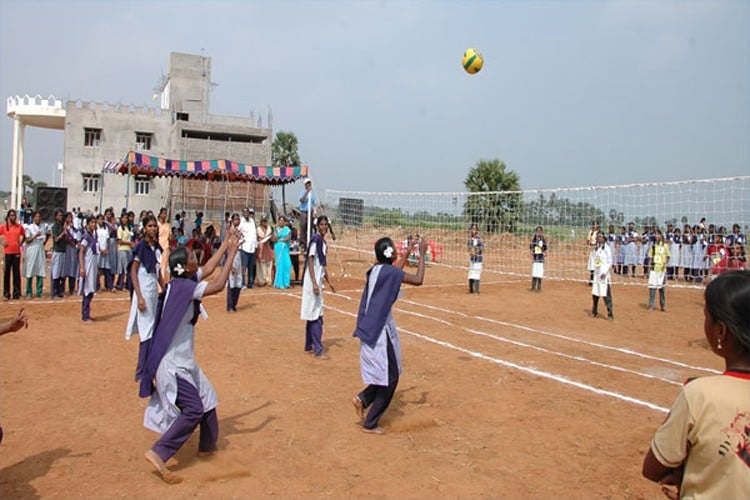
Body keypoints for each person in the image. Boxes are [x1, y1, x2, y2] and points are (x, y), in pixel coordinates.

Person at [139, 230, 240, 484]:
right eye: (193, 258)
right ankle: (159, 451)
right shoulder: (185, 287)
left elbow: (207, 268)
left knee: (208, 399)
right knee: (194, 408)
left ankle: (207, 449)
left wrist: (227, 242)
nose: (197, 259)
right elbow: (217, 284)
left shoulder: (179, 282)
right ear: (184, 267)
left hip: (184, 361)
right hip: (173, 365)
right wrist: (233, 255)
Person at [642, 271, 750, 499]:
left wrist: (684, 474)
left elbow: (653, 467)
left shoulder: (700, 394)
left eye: (706, 316)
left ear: (720, 331)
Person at [351, 235, 428, 435]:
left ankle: (364, 398)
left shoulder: (377, 270)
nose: (397, 250)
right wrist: (422, 254)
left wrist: (409, 249)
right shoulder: (389, 272)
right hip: (378, 330)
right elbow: (418, 280)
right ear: (389, 253)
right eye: (395, 248)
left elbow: (396, 270)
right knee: (391, 377)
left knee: (385, 372)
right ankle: (370, 423)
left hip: (370, 325)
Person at [126, 215, 164, 381]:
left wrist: (164, 287)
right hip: (144, 293)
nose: (153, 229)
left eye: (154, 226)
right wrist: (139, 296)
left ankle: (149, 367)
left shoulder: (156, 248)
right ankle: (141, 371)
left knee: (153, 330)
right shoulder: (141, 247)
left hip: (152, 293)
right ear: (144, 228)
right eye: (149, 226)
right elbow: (133, 270)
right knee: (146, 332)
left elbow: (157, 272)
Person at [301, 216, 336, 358]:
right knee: (316, 315)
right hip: (312, 282)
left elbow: (321, 265)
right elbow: (310, 260)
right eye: (322, 225)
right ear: (317, 226)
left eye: (326, 225)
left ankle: (309, 344)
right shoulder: (315, 240)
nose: (324, 227)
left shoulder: (324, 243)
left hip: (318, 281)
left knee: (312, 313)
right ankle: (318, 349)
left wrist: (328, 281)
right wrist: (314, 282)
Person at [0, 209, 24, 301]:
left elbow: (24, 236)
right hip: (7, 253)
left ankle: (17, 293)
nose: (12, 217)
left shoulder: (19, 227)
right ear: (8, 216)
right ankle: (6, 293)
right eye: (11, 215)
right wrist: (2, 242)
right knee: (7, 274)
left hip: (16, 252)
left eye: (14, 215)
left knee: (16, 273)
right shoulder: (4, 227)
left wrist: (20, 244)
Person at [78, 215, 98, 323]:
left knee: (91, 290)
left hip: (93, 266)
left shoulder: (93, 236)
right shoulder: (86, 237)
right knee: (87, 290)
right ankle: (85, 315)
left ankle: (87, 313)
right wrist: (82, 267)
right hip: (88, 265)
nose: (94, 225)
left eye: (94, 223)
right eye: (92, 223)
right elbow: (81, 251)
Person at [22, 211, 47, 299]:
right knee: (30, 269)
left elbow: (44, 239)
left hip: (40, 249)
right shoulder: (29, 228)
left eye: (39, 217)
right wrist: (35, 236)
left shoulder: (43, 227)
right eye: (36, 217)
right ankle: (29, 291)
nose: (38, 218)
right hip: (31, 250)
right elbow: (27, 240)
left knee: (40, 269)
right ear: (33, 218)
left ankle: (39, 291)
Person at [591, 231, 614, 320]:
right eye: (597, 237)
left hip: (604, 274)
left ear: (604, 238)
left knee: (606, 294)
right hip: (597, 274)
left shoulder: (607, 248)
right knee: (595, 294)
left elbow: (610, 261)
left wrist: (605, 273)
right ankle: (594, 311)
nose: (598, 238)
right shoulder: (596, 248)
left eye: (600, 236)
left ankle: (610, 313)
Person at [648, 229, 670, 312]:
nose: (656, 236)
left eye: (658, 234)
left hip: (662, 270)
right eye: (655, 234)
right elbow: (650, 257)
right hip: (654, 269)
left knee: (662, 289)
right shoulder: (653, 247)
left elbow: (668, 256)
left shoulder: (665, 246)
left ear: (661, 236)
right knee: (652, 288)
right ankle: (651, 305)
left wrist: (665, 264)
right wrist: (649, 265)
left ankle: (663, 305)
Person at [49, 209, 68, 298]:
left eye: (61, 215)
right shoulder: (55, 227)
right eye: (59, 215)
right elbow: (56, 239)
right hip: (57, 251)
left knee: (61, 272)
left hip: (63, 250)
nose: (61, 217)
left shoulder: (62, 226)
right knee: (56, 272)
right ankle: (54, 292)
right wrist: (63, 233)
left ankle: (60, 291)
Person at [226, 214, 242, 312]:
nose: (237, 221)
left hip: (239, 255)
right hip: (232, 255)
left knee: (238, 281)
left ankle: (234, 304)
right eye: (235, 219)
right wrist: (230, 264)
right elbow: (228, 249)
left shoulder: (239, 231)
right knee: (232, 281)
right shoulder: (230, 232)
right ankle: (230, 305)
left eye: (238, 219)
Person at [239, 207, 258, 288]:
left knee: (251, 267)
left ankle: (250, 283)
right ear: (243, 213)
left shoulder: (252, 221)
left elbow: (254, 234)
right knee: (244, 267)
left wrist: (256, 246)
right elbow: (238, 232)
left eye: (248, 212)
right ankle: (242, 283)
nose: (247, 214)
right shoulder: (240, 222)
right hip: (244, 248)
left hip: (252, 248)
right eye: (245, 212)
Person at [63, 212, 81, 295]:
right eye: (68, 218)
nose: (70, 219)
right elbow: (66, 238)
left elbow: (77, 237)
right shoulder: (64, 228)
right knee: (64, 268)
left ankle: (71, 288)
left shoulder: (74, 228)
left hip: (73, 250)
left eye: (71, 217)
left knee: (72, 268)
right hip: (66, 249)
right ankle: (61, 289)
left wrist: (76, 243)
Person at [116, 212, 134, 291]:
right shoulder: (120, 228)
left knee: (127, 268)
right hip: (122, 249)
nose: (125, 220)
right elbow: (119, 241)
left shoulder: (127, 228)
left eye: (126, 218)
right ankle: (121, 284)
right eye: (123, 218)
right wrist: (129, 243)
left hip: (128, 249)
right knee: (123, 268)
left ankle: (126, 284)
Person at [273, 215, 292, 289]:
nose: (281, 222)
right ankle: (279, 283)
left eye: (282, 220)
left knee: (287, 264)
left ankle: (286, 283)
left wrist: (280, 239)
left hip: (285, 248)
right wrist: (278, 237)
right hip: (278, 248)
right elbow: (274, 238)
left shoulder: (287, 229)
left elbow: (287, 238)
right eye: (280, 220)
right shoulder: (276, 229)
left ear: (285, 222)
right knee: (280, 265)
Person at [255, 216, 274, 287]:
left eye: (265, 221)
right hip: (261, 247)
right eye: (263, 221)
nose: (264, 222)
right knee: (260, 264)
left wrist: (269, 237)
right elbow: (257, 237)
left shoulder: (269, 228)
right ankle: (261, 280)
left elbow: (271, 237)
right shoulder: (258, 229)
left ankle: (268, 280)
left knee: (269, 263)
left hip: (268, 247)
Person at [298, 178, 316, 250]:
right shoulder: (303, 192)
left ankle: (310, 241)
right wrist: (306, 192)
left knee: (310, 226)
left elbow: (313, 204)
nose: (308, 185)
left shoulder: (312, 194)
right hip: (304, 211)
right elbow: (301, 200)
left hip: (310, 211)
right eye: (307, 183)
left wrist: (314, 211)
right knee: (303, 225)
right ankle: (302, 243)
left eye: (309, 183)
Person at [530, 225, 547, 292]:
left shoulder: (543, 239)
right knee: (534, 271)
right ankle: (533, 287)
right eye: (537, 231)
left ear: (542, 232)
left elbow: (545, 248)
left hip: (541, 257)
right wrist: (531, 253)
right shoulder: (534, 239)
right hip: (535, 257)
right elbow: (531, 247)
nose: (538, 232)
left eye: (540, 231)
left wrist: (544, 252)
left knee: (540, 272)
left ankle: (539, 287)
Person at [467, 223, 483, 294]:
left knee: (477, 272)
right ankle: (471, 289)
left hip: (478, 259)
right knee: (471, 272)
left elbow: (482, 247)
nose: (473, 230)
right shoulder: (470, 238)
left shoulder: (478, 238)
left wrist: (476, 252)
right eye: (472, 228)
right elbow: (469, 247)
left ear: (477, 230)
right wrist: (471, 252)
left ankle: (476, 290)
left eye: (475, 229)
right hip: (472, 259)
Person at [158, 208, 171, 280]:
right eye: (163, 213)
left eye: (165, 213)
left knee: (164, 265)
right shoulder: (157, 225)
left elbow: (170, 237)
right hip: (158, 246)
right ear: (160, 214)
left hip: (165, 247)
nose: (164, 215)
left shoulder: (168, 225)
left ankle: (162, 282)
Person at [585, 220, 600, 285]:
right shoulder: (591, 232)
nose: (594, 226)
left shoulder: (599, 232)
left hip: (598, 251)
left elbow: (599, 241)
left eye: (596, 224)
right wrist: (590, 243)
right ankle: (591, 279)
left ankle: (598, 279)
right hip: (592, 250)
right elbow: (588, 240)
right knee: (591, 265)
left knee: (598, 264)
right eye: (593, 224)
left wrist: (595, 244)